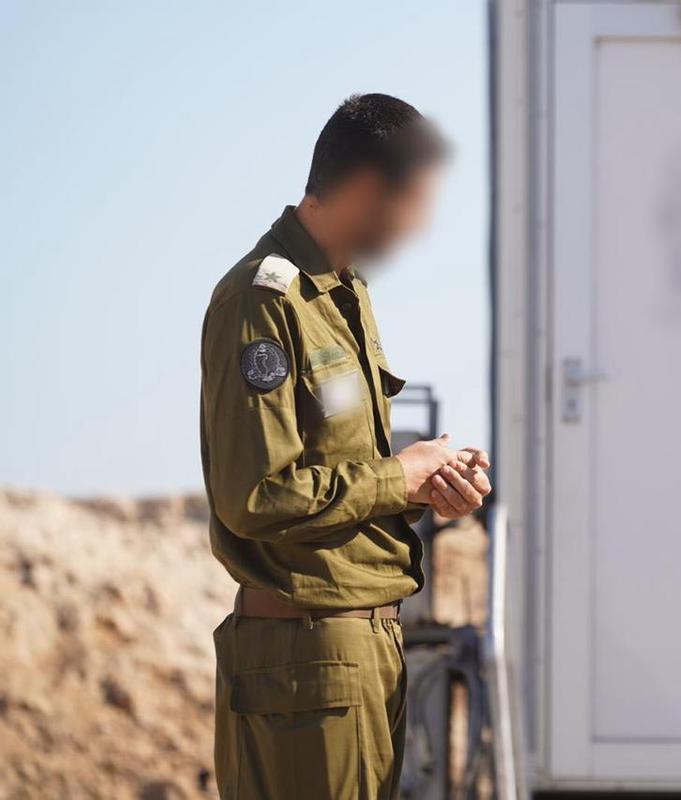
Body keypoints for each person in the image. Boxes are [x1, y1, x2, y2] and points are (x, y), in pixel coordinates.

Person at [199, 93, 491, 799]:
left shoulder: (343, 292)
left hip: (356, 652)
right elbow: (256, 495)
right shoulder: (263, 299)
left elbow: (340, 470)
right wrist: (398, 477)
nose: (418, 228)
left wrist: (430, 484)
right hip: (307, 662)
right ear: (365, 190)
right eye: (413, 206)